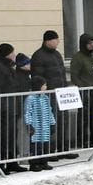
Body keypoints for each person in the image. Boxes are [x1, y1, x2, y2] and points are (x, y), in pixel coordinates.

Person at [31, 30, 76, 159]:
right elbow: (37, 77)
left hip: (61, 93)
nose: (58, 42)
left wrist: (65, 88)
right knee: (50, 123)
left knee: (63, 121)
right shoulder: (39, 56)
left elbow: (61, 73)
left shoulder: (56, 54)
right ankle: (49, 151)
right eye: (55, 39)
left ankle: (63, 149)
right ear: (48, 41)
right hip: (48, 94)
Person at [0, 43, 28, 173]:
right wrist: (3, 107)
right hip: (4, 108)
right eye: (12, 52)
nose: (14, 55)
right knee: (2, 137)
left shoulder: (8, 66)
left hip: (12, 106)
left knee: (12, 136)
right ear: (6, 54)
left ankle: (12, 162)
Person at [70, 33, 93, 150]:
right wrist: (83, 88)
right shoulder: (77, 58)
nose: (92, 45)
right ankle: (82, 140)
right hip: (84, 91)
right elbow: (74, 76)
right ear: (84, 44)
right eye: (89, 43)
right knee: (83, 118)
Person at [23, 76, 56, 172]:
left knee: (45, 144)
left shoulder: (45, 97)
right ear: (39, 86)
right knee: (36, 146)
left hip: (45, 126)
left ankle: (44, 162)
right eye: (44, 85)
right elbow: (27, 112)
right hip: (35, 126)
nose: (46, 87)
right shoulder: (30, 98)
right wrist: (29, 124)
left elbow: (49, 111)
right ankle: (34, 164)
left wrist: (52, 123)